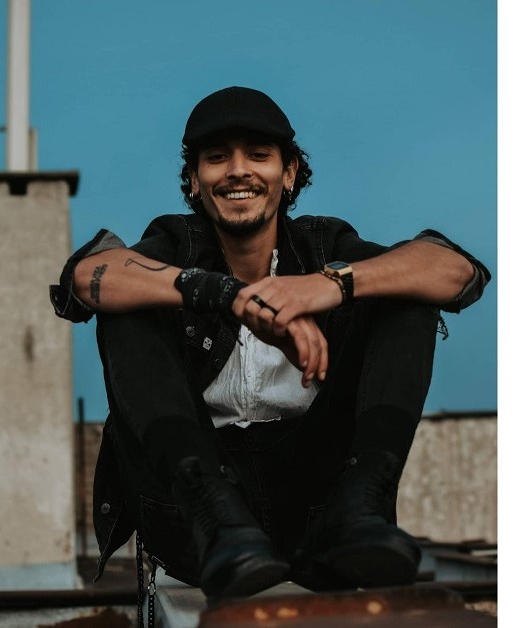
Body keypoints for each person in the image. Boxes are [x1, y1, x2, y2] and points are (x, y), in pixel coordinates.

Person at [50, 86, 491, 602]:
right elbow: (87, 277)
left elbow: (455, 271)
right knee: (127, 303)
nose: (238, 171)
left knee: (405, 290)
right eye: (217, 158)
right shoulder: (173, 244)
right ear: (194, 180)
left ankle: (364, 504)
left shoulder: (325, 245)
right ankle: (215, 513)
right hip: (197, 527)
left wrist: (330, 284)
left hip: (318, 513)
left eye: (258, 155)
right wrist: (228, 295)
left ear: (290, 173)